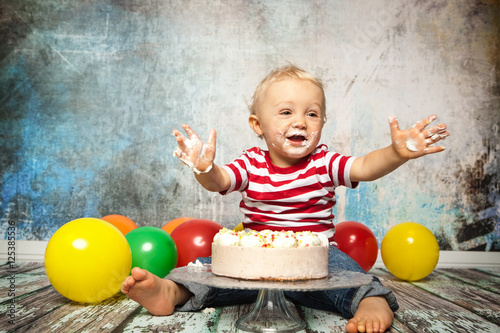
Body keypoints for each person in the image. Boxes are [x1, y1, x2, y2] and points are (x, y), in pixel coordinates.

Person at [122, 65, 450, 333]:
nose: (299, 121)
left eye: (312, 114)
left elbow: (364, 167)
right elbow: (220, 180)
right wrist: (204, 167)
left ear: (322, 122)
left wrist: (396, 153)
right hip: (254, 261)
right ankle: (171, 292)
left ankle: (370, 302)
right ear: (258, 125)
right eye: (286, 112)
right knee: (207, 269)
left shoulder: (324, 162)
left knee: (351, 274)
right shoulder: (252, 163)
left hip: (317, 258)